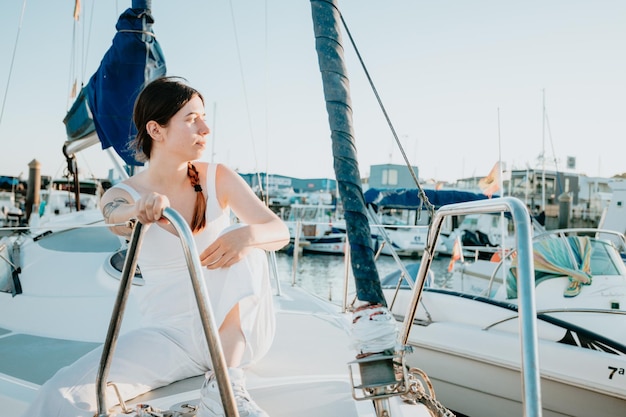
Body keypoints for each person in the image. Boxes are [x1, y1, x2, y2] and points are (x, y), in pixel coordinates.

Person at [22, 76, 290, 417]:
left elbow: (277, 230)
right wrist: (140, 209)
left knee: (249, 248)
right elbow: (115, 215)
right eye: (192, 119)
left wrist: (246, 236)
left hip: (234, 336)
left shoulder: (216, 176)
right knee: (61, 395)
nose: (205, 129)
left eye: (204, 117)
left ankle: (224, 388)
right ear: (156, 129)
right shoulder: (124, 193)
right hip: (169, 337)